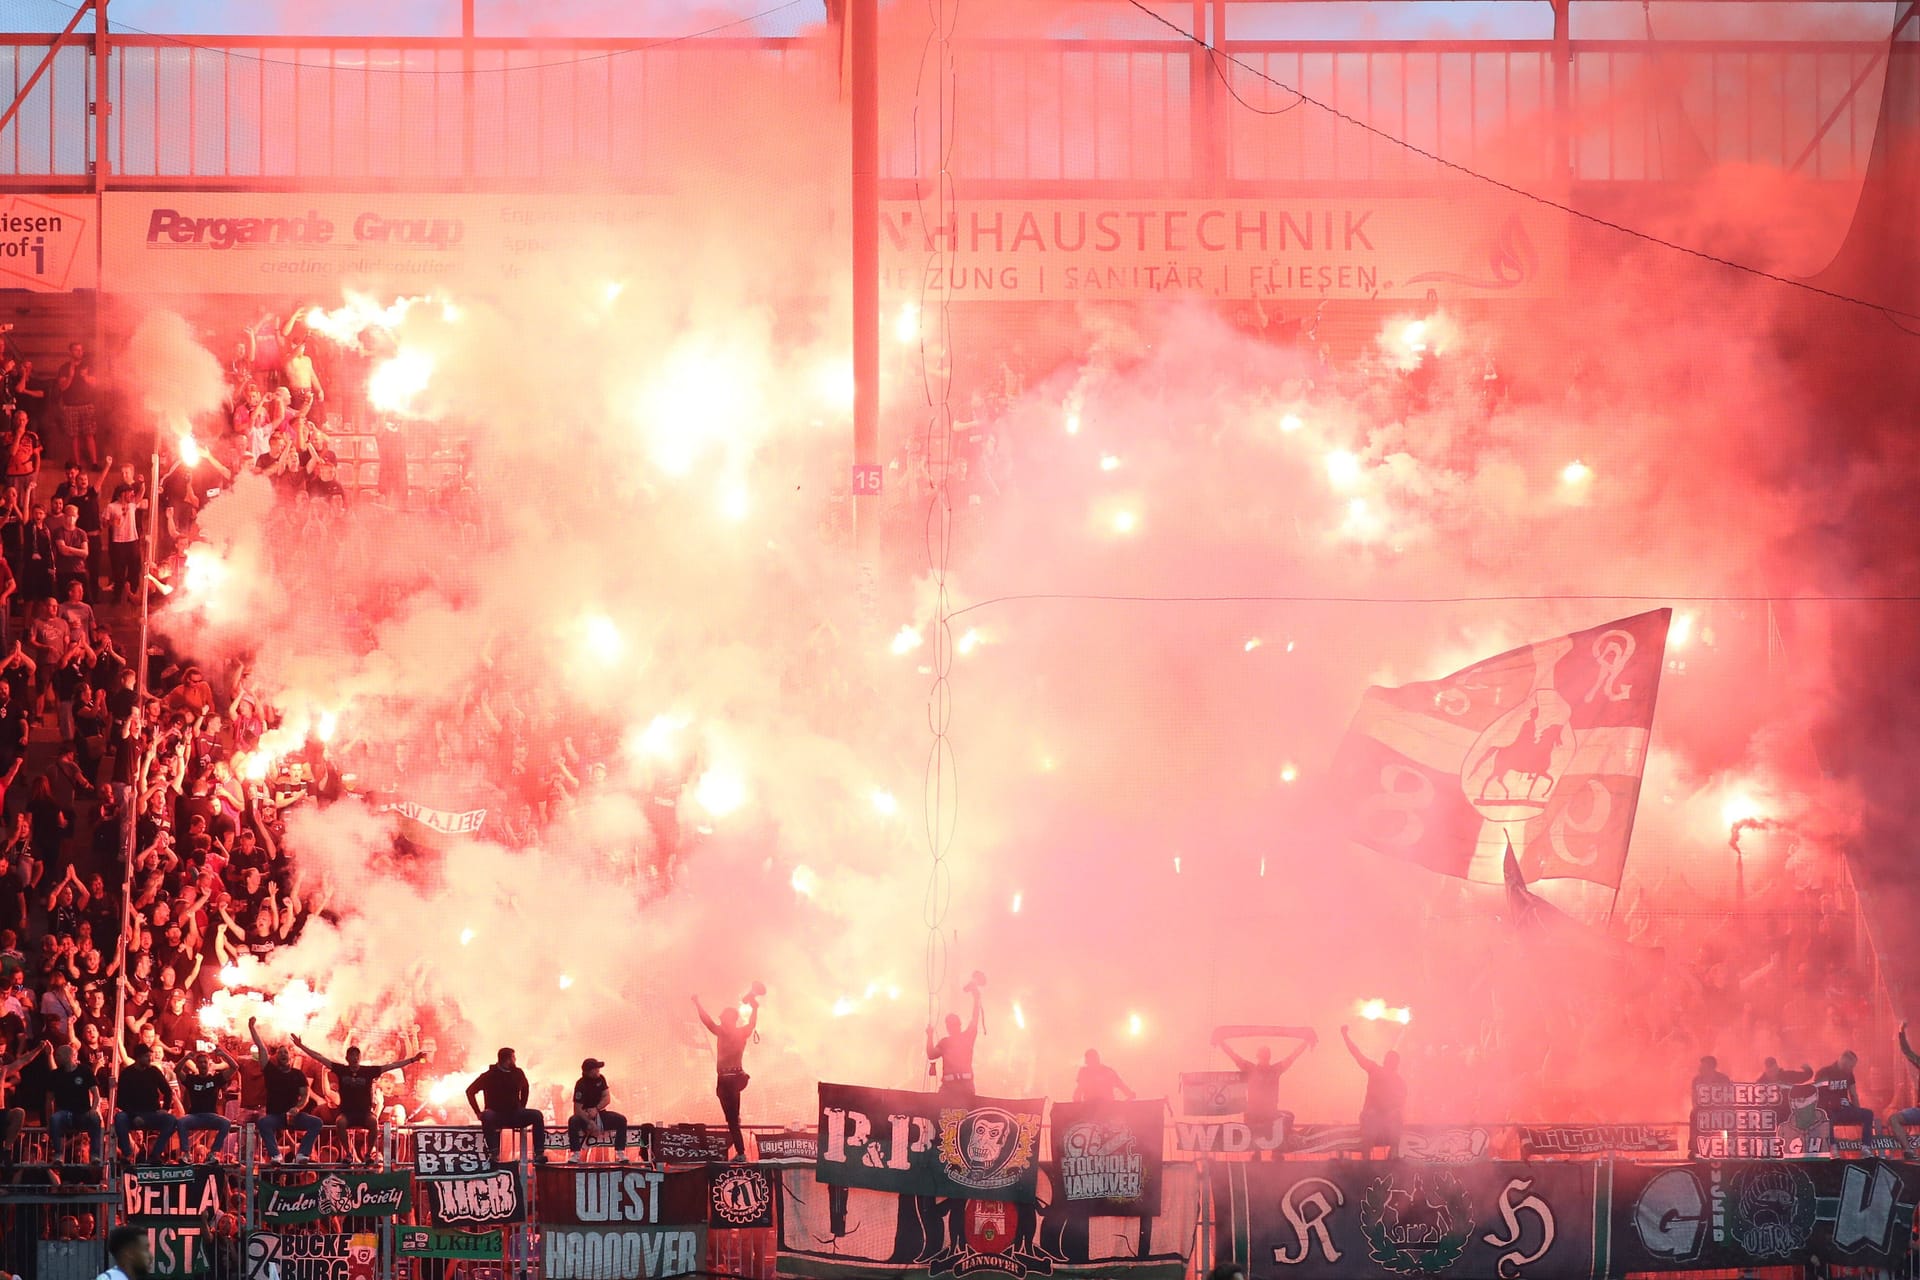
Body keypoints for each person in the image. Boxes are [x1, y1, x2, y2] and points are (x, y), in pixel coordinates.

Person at [291, 1034, 423, 1165]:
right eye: (351, 1056)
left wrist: (413, 1060)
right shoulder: (341, 1069)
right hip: (347, 1113)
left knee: (373, 1123)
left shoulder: (369, 1071)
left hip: (364, 1113)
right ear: (347, 1058)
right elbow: (319, 1057)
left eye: (356, 1056)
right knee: (340, 1122)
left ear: (359, 1058)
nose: (354, 1058)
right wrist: (301, 1046)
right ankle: (348, 1154)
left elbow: (393, 1065)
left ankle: (367, 1154)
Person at [1215, 1028, 1316, 1160]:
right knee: (1285, 1118)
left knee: (1283, 1119)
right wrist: (1305, 1042)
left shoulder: (1253, 1068)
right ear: (1267, 1056)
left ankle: (1266, 1152)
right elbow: (1292, 1057)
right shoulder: (1272, 1069)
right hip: (1263, 1114)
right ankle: (1273, 1151)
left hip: (1259, 1114)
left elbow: (1234, 1056)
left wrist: (1221, 1042)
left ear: (1259, 1056)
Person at [695, 987, 761, 1160]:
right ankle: (738, 1148)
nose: (720, 1020)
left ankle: (740, 1153)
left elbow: (707, 1021)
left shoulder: (725, 1032)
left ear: (728, 1019)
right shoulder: (740, 1032)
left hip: (728, 1081)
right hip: (733, 1079)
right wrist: (755, 1008)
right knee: (732, 1118)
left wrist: (697, 1004)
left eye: (723, 1018)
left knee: (732, 1119)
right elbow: (752, 1024)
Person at [249, 1016, 321, 1163]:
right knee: (263, 1123)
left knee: (316, 1123)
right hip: (275, 1116)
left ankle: (302, 1154)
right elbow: (261, 1048)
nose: (282, 1054)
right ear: (276, 1056)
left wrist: (297, 1108)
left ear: (290, 1056)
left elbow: (305, 1095)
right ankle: (276, 1155)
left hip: (294, 1117)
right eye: (280, 1052)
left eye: (285, 1052)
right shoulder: (271, 1070)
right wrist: (252, 1028)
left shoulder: (298, 1074)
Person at [466, 1046, 546, 1162]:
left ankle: (539, 1153)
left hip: (515, 1114)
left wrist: (522, 1106)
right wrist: (478, 1112)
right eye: (514, 1057)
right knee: (487, 1116)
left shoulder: (518, 1073)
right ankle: (494, 1154)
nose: (515, 1060)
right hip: (496, 1115)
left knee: (537, 1115)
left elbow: (525, 1088)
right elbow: (470, 1091)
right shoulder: (489, 1075)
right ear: (507, 1060)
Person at [1341, 1025, 1407, 1155]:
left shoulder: (1399, 1081)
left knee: (1396, 1118)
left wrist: (1392, 1113)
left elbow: (1401, 1104)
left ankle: (1393, 1157)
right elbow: (1356, 1053)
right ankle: (1367, 1162)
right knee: (1372, 1117)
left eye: (1393, 1061)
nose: (1391, 1063)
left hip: (1388, 1121)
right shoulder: (1375, 1070)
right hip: (1370, 1118)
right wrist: (1345, 1036)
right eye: (1390, 1060)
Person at [113, 1042, 179, 1164]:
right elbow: (121, 1101)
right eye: (147, 1056)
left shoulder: (154, 1071)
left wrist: (165, 1108)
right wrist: (134, 1116)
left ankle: (156, 1154)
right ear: (138, 1057)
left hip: (152, 1113)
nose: (150, 1059)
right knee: (120, 1118)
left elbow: (167, 1091)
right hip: (132, 1114)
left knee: (171, 1120)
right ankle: (127, 1154)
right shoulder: (126, 1074)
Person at [177, 1044, 240, 1161]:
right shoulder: (191, 1079)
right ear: (196, 1065)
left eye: (205, 1062)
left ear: (209, 1064)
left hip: (211, 1115)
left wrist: (224, 1054)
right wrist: (185, 1058)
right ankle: (185, 1153)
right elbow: (177, 1070)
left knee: (226, 1123)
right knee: (180, 1122)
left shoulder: (215, 1079)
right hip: (194, 1115)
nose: (202, 1065)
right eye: (200, 1062)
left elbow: (235, 1067)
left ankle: (213, 1153)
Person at [46, 1041, 103, 1162]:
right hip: (64, 1113)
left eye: (58, 1055)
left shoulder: (85, 1070)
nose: (56, 1057)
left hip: (83, 1112)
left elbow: (96, 1094)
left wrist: (93, 1110)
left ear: (68, 1055)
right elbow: (49, 1099)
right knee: (55, 1119)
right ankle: (58, 1155)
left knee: (95, 1118)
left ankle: (95, 1155)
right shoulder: (55, 1075)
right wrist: (48, 1120)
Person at [925, 983, 983, 1100]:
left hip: (964, 1087)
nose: (952, 1027)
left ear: (959, 1025)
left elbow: (975, 1018)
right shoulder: (946, 1042)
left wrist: (976, 999)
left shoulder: (967, 1037)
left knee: (964, 1115)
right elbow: (931, 1055)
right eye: (950, 1024)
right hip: (949, 1088)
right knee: (940, 1114)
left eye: (953, 1024)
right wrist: (930, 1035)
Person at [567, 1057, 630, 1161]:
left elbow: (607, 1098)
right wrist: (589, 1121)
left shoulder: (601, 1079)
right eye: (596, 1069)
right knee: (573, 1121)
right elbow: (577, 1109)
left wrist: (596, 1109)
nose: (598, 1071)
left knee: (621, 1120)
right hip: (584, 1115)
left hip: (600, 1113)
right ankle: (575, 1154)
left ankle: (620, 1152)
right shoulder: (580, 1084)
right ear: (589, 1071)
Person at [1814, 1049, 1876, 1142]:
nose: (1851, 1069)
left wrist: (1857, 1111)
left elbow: (1853, 1094)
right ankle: (1832, 1147)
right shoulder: (1823, 1073)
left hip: (1845, 1109)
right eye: (1851, 1066)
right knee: (1827, 1118)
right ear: (1843, 1060)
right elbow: (1818, 1095)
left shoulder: (1849, 1074)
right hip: (1829, 1111)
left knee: (1868, 1114)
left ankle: (1866, 1147)